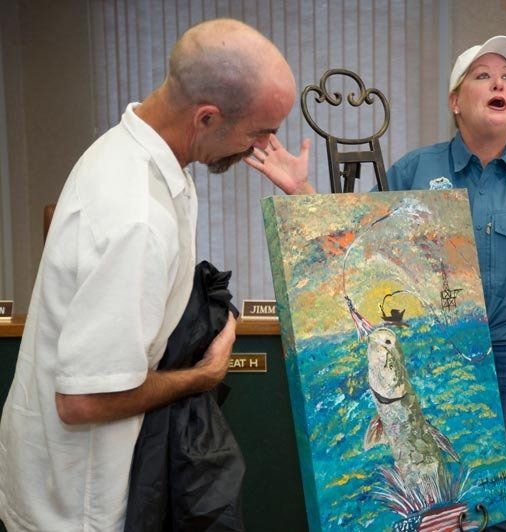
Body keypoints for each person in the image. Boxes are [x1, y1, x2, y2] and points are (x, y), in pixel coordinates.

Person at [251, 35, 506, 531]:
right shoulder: (414, 169)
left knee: (489, 503)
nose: (499, 83)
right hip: (432, 356)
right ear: (456, 101)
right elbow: (355, 240)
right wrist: (302, 192)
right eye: (483, 75)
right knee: (425, 504)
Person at [0, 19, 296, 531]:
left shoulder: (132, 150)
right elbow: (82, 399)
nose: (261, 147)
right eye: (258, 132)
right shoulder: (136, 216)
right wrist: (203, 376)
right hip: (81, 507)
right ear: (206, 117)